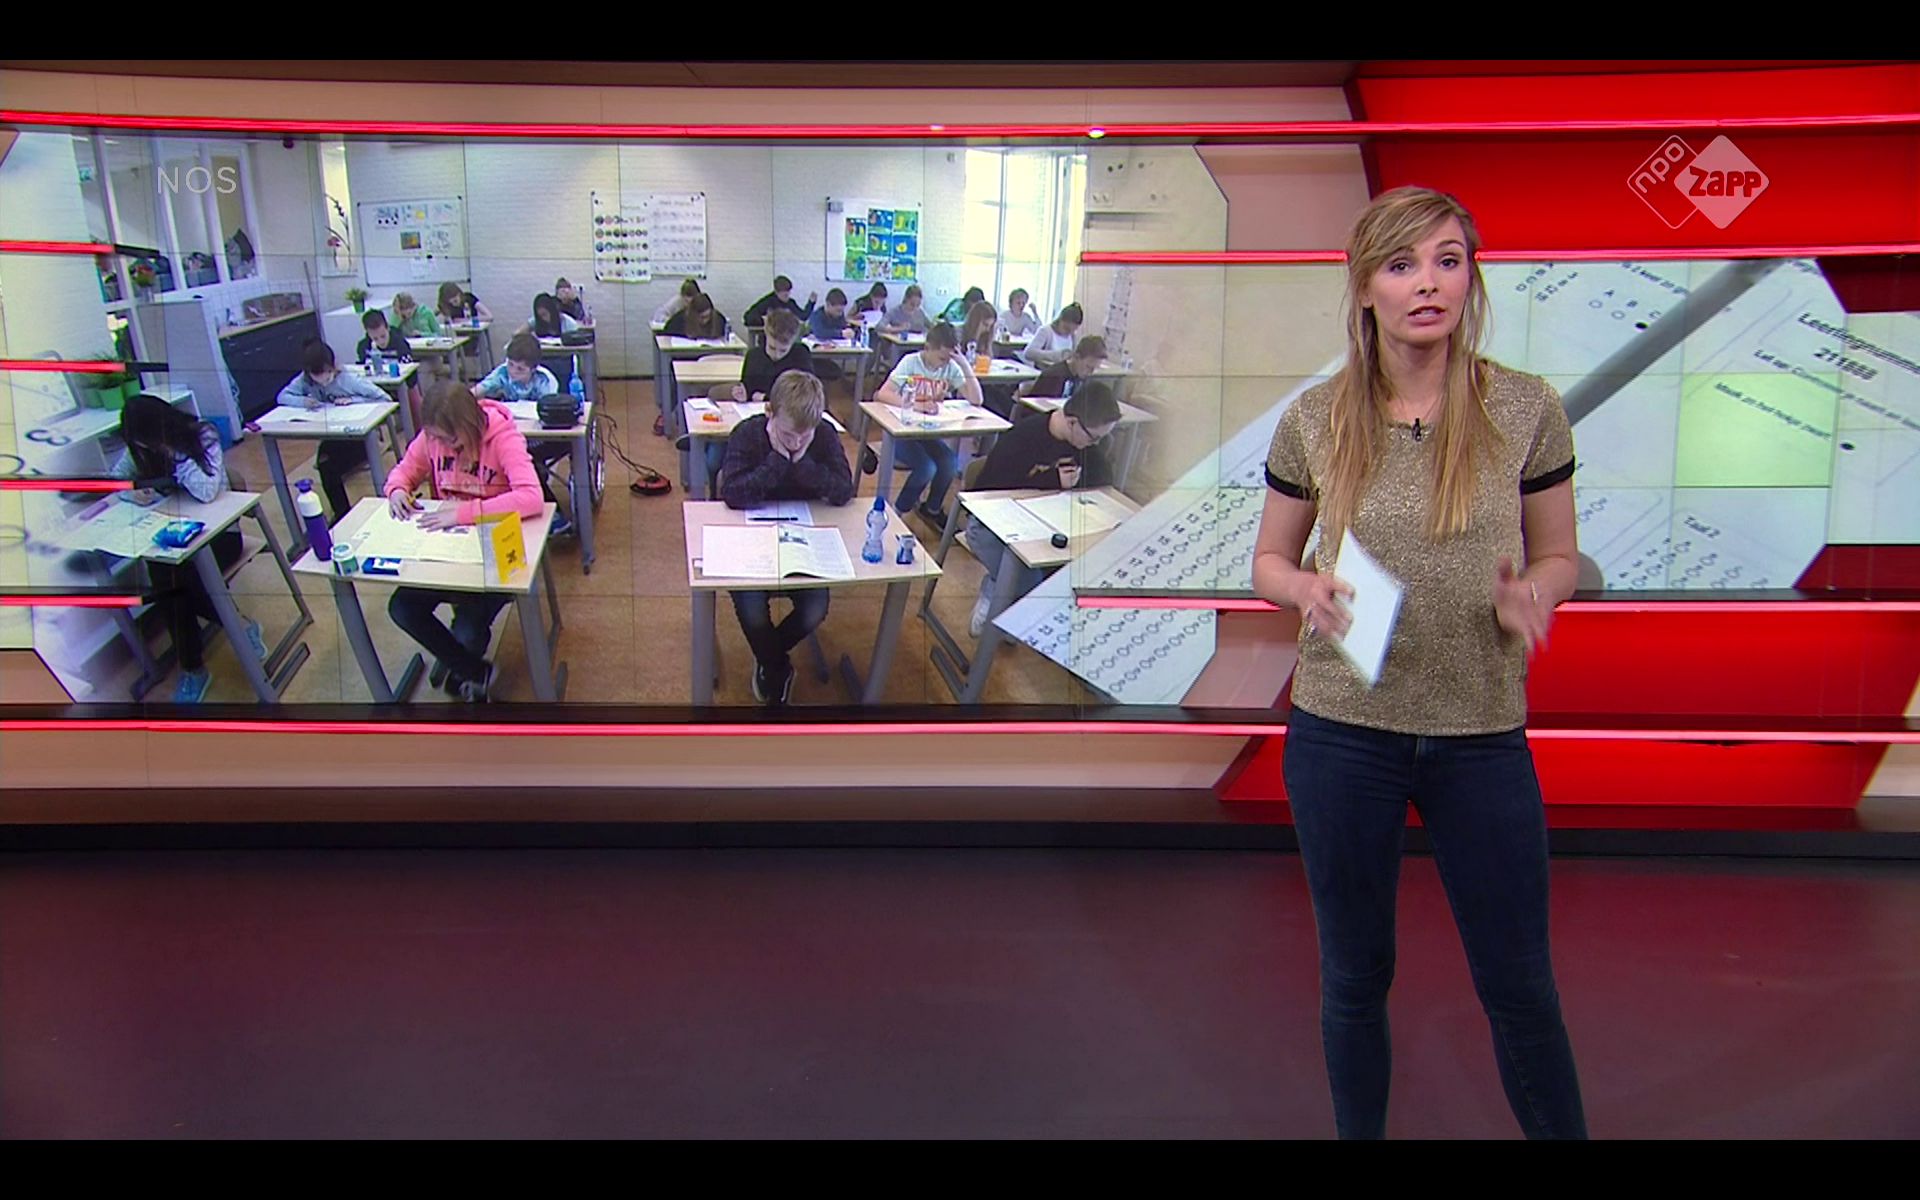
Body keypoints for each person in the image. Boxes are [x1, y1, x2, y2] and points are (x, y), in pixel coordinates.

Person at [1252, 185, 1585, 1141]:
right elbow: (1268, 558)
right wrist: (1302, 589)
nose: (1427, 283)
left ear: (1470, 277)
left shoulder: (1525, 407)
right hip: (1342, 735)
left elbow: (1560, 555)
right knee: (1356, 977)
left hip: (1480, 733)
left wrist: (1536, 594)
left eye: (1447, 260)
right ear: (1366, 287)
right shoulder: (1316, 417)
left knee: (1519, 984)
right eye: (1402, 265)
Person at [383, 380, 546, 702]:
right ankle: (473, 670)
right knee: (402, 607)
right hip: (449, 550)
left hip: (496, 549)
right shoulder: (433, 437)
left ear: (470, 425)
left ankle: (463, 662)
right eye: (436, 438)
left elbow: (531, 497)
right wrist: (397, 489)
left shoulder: (503, 438)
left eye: (451, 440)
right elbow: (405, 470)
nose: (442, 445)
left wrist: (463, 513)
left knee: (468, 634)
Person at [112, 394, 267, 703]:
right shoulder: (140, 448)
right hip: (174, 535)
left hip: (219, 535)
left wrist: (174, 454)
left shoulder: (202, 435)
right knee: (165, 577)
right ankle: (195, 665)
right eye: (141, 444)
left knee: (176, 583)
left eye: (149, 441)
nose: (146, 449)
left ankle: (234, 628)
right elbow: (115, 479)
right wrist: (131, 493)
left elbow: (207, 491)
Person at [718, 370, 855, 707]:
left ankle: (767, 656)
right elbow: (732, 492)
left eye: (803, 436)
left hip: (804, 541)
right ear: (769, 412)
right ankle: (776, 664)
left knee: (815, 608)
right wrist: (778, 461)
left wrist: (804, 462)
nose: (795, 443)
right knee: (752, 612)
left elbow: (843, 490)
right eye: (787, 435)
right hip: (752, 539)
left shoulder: (823, 434)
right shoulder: (747, 434)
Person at [965, 382, 1120, 637]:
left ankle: (1008, 602)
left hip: (1042, 525)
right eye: (1094, 437)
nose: (1096, 444)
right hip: (988, 524)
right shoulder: (1022, 437)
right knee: (1031, 584)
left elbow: (1103, 480)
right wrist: (1051, 480)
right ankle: (995, 592)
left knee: (1066, 576)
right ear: (1072, 421)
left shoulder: (1084, 442)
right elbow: (989, 494)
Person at [873, 321, 984, 524]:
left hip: (927, 433)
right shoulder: (910, 362)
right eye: (941, 358)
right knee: (927, 467)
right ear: (927, 348)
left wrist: (964, 364)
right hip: (901, 432)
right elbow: (883, 394)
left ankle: (932, 508)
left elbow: (977, 399)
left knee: (949, 463)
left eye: (949, 358)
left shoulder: (950, 366)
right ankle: (898, 511)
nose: (944, 363)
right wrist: (916, 405)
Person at [470, 333, 574, 539]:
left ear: (533, 369)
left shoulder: (545, 381)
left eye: (520, 369)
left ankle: (555, 516)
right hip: (515, 436)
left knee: (525, 461)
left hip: (545, 438)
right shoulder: (501, 373)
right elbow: (476, 391)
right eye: (511, 365)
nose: (513, 372)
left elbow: (550, 412)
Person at [274, 339, 392, 517]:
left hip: (359, 437)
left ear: (333, 367)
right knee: (325, 464)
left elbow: (385, 398)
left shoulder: (348, 380)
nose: (323, 382)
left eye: (327, 376)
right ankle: (342, 513)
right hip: (333, 437)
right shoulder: (304, 380)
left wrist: (353, 400)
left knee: (330, 464)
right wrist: (303, 401)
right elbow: (282, 396)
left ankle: (366, 510)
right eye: (317, 378)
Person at [1022, 335, 1108, 403]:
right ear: (1076, 357)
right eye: (1088, 367)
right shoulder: (1054, 376)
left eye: (1095, 368)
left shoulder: (1081, 377)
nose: (1091, 372)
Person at [1020, 302, 1083, 367]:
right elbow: (1028, 353)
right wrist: (1055, 355)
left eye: (1073, 330)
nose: (1068, 333)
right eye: (1066, 328)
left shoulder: (1072, 336)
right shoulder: (1045, 331)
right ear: (1060, 320)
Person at [745, 275, 818, 327]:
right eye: (784, 295)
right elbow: (748, 316)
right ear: (776, 292)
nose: (787, 297)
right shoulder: (767, 302)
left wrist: (811, 303)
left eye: (788, 293)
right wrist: (766, 321)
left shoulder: (790, 303)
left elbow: (803, 316)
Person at [663, 292, 729, 341]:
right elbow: (666, 337)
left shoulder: (719, 320)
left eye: (708, 316)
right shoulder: (679, 320)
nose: (705, 321)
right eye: (701, 317)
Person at [519, 292, 583, 339]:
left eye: (544, 314)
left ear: (551, 311)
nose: (543, 319)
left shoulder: (568, 322)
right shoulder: (537, 320)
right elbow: (518, 333)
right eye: (540, 316)